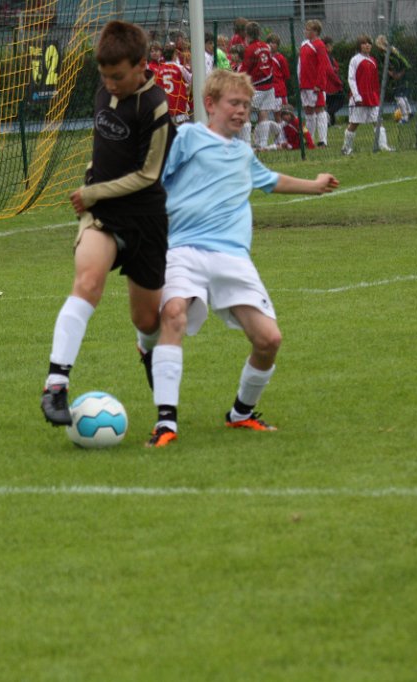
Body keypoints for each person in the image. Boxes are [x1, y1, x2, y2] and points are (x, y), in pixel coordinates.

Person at [145, 69, 338, 447]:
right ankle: (166, 423)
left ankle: (241, 414)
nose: (241, 111)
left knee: (269, 339)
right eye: (234, 103)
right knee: (173, 314)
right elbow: (152, 179)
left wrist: (314, 187)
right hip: (183, 249)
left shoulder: (243, 153)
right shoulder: (188, 138)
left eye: (246, 106)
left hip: (232, 257)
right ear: (210, 104)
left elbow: (270, 180)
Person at [40, 20, 175, 427]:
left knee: (147, 320)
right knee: (88, 283)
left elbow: (150, 174)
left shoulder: (156, 106)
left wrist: (94, 191)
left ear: (141, 65)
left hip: (145, 218)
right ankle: (56, 386)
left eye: (118, 76)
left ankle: (146, 349)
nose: (110, 84)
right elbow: (104, 148)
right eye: (104, 76)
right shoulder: (103, 90)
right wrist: (91, 177)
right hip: (102, 216)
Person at [342, 35, 393, 155]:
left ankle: (383, 146)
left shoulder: (373, 60)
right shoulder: (355, 60)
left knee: (378, 121)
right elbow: (351, 79)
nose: (367, 45)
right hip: (359, 97)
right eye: (364, 43)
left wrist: (376, 95)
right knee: (354, 123)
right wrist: (356, 95)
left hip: (372, 97)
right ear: (359, 46)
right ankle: (346, 148)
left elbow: (375, 81)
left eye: (369, 43)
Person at [242, 22, 276, 149]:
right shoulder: (266, 47)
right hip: (269, 86)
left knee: (246, 113)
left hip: (256, 86)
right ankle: (263, 143)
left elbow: (246, 68)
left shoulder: (250, 49)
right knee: (264, 114)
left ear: (247, 34)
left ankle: (246, 143)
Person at [298, 19, 331, 147]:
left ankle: (323, 140)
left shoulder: (319, 45)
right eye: (305, 29)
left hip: (315, 85)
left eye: (308, 29)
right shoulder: (304, 44)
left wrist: (320, 84)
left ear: (315, 31)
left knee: (319, 110)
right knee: (308, 111)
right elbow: (300, 65)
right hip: (304, 84)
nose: (305, 31)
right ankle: (309, 139)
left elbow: (323, 65)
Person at [376, 35, 412, 124]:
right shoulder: (385, 54)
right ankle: (410, 112)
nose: (377, 48)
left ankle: (405, 117)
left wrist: (399, 74)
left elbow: (405, 64)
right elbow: (387, 67)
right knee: (402, 96)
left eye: (378, 46)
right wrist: (390, 72)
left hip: (402, 77)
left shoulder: (392, 53)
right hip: (398, 77)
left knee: (399, 97)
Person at [155, 43, 193, 124]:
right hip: (179, 105)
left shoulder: (159, 70)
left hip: (166, 107)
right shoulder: (179, 68)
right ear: (174, 56)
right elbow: (191, 79)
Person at [322, 36, 346, 126]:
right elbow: (330, 71)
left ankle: (331, 122)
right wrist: (339, 82)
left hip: (330, 83)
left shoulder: (329, 56)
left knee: (331, 102)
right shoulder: (326, 56)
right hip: (330, 84)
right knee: (340, 99)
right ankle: (327, 115)